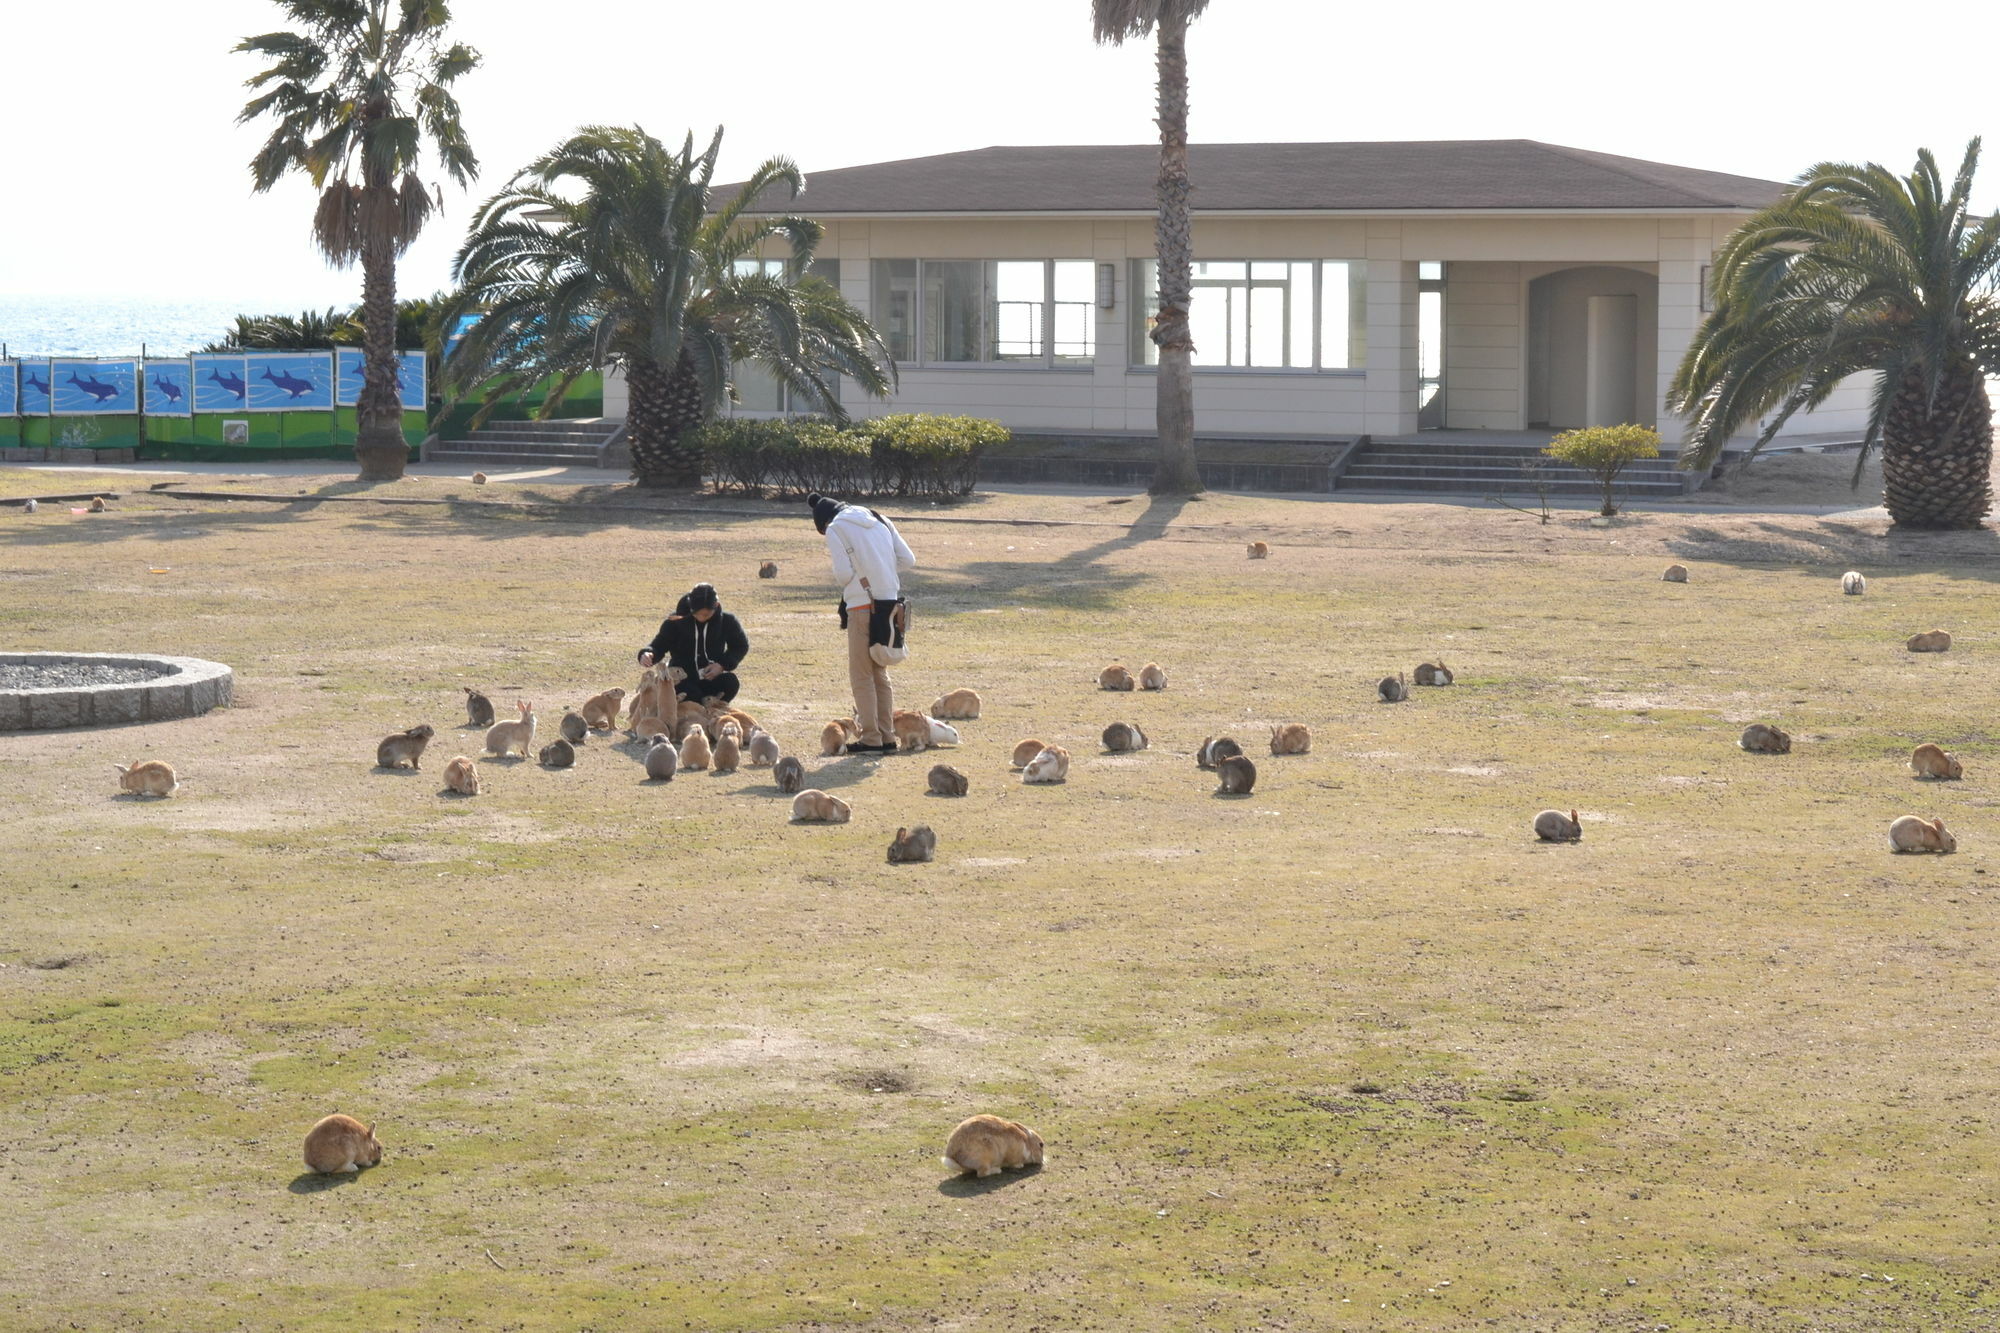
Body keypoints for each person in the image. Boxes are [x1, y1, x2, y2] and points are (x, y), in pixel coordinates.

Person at [810, 492, 914, 754]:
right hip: (889, 604)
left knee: (862, 674)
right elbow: (908, 560)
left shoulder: (836, 528)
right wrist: (881, 572)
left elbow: (844, 574)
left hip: (861, 605)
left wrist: (863, 576)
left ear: (823, 523)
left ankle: (870, 738)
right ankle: (887, 736)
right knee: (880, 671)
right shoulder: (879, 518)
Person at [636, 582, 749, 706]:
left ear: (716, 606)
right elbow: (660, 644)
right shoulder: (675, 621)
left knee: (731, 683)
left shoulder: (727, 621)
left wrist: (721, 665)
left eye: (705, 614)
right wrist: (649, 653)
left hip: (710, 677)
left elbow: (740, 645)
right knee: (692, 695)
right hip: (682, 678)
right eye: (696, 613)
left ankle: (712, 711)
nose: (701, 617)